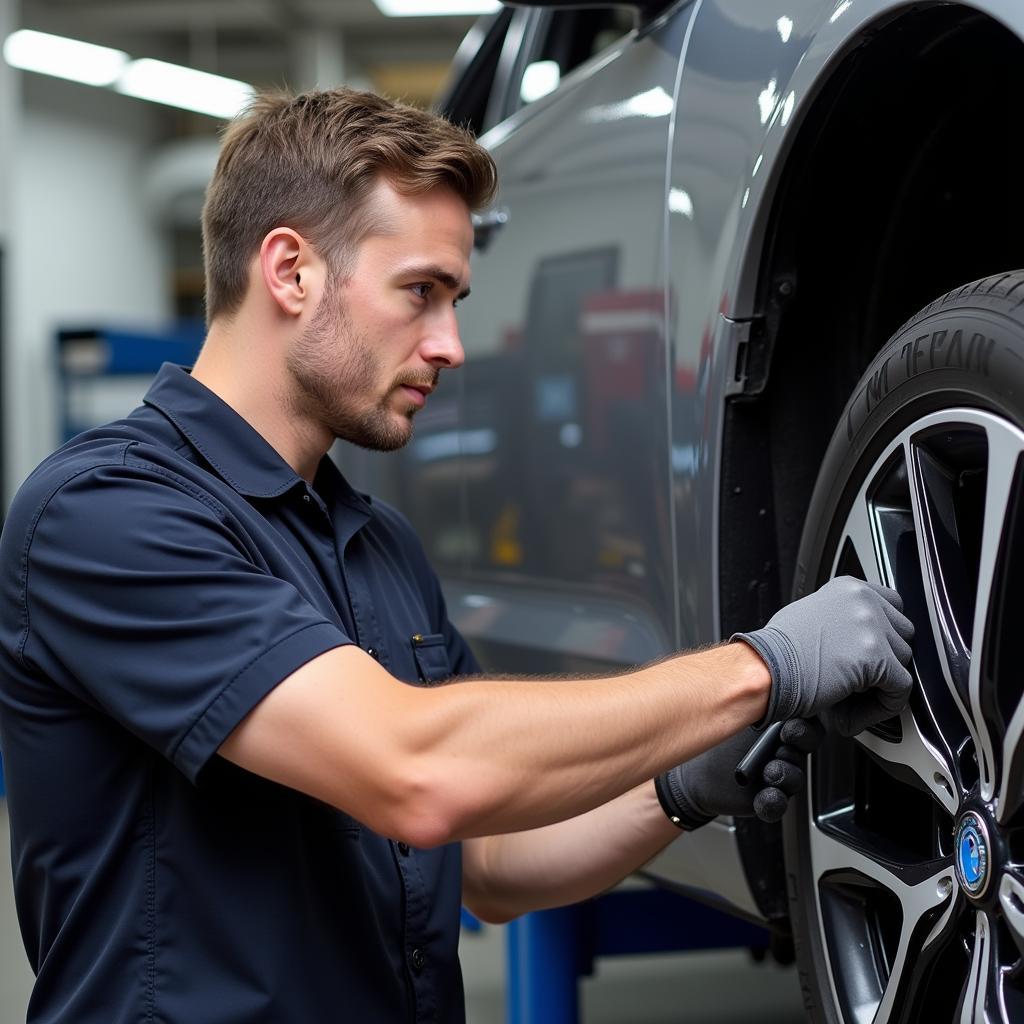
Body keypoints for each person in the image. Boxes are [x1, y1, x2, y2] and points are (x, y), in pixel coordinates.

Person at [0, 89, 914, 1024]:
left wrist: (676, 789)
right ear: (290, 272)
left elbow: (489, 865)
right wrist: (764, 666)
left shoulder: (373, 542)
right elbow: (419, 771)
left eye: (454, 300)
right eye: (420, 293)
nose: (451, 346)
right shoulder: (109, 514)